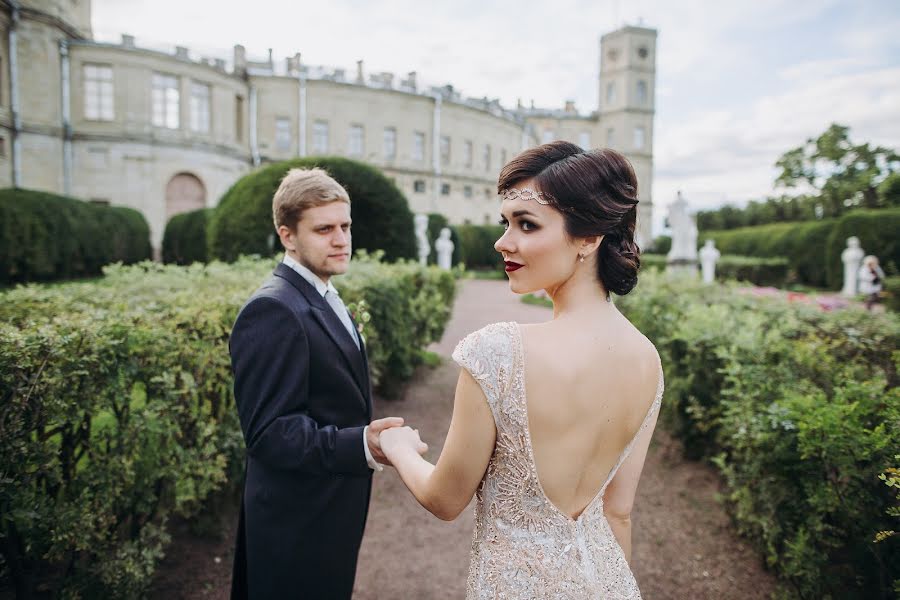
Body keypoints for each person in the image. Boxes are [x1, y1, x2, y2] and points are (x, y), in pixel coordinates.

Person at [380, 142, 663, 598]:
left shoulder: (499, 352)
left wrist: (398, 447)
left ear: (589, 238)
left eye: (526, 225)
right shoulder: (647, 358)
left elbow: (444, 499)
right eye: (505, 223)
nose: (502, 242)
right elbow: (619, 512)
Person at [228, 168, 422, 599]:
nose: (341, 239)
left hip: (329, 510)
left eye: (345, 226)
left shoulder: (321, 293)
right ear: (288, 235)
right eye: (324, 229)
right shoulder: (273, 310)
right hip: (295, 523)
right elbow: (269, 434)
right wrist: (363, 444)